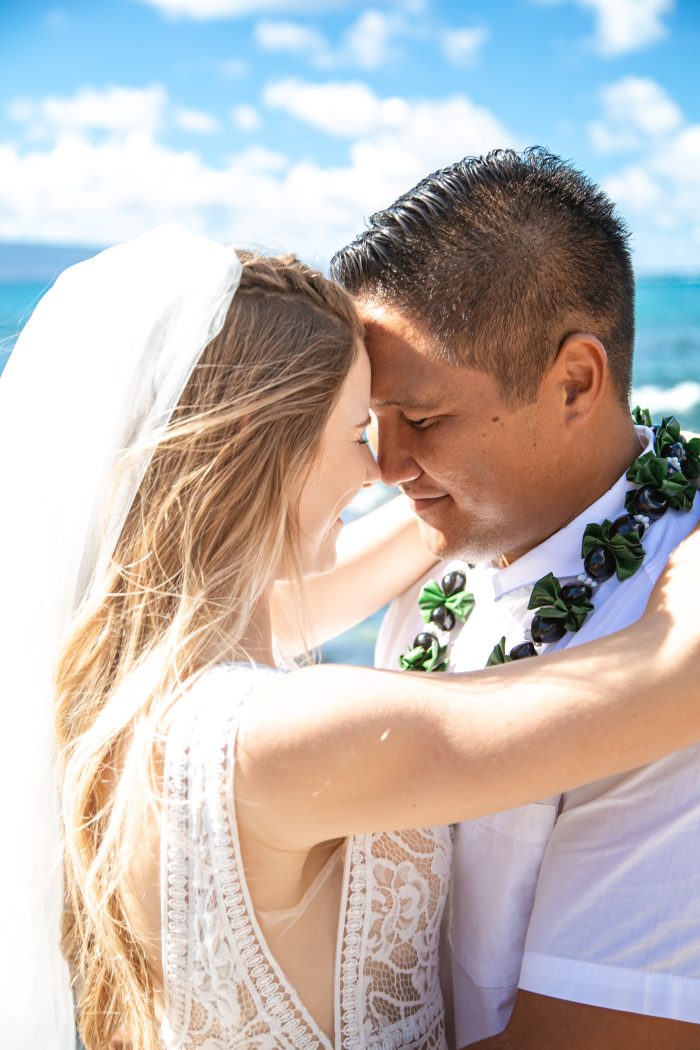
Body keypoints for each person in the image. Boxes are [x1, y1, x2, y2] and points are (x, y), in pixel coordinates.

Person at [2, 226, 700, 1050]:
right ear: (263, 456)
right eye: (357, 434)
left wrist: (488, 486)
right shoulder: (289, 738)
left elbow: (377, 558)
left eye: (413, 425)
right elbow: (673, 678)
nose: (384, 471)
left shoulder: (119, 683)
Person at [330, 147, 700, 1049]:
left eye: (420, 420)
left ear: (574, 380)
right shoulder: (441, 536)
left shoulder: (672, 621)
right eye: (370, 422)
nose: (382, 466)